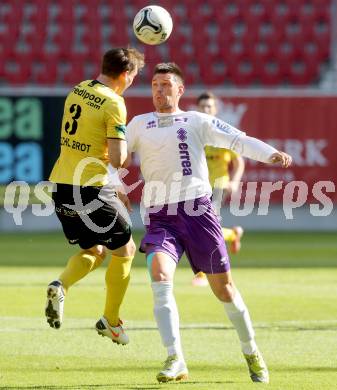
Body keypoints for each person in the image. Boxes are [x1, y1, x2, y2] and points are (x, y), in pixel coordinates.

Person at [125, 63, 292, 383]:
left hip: (199, 214)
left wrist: (270, 153)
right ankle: (175, 358)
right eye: (155, 85)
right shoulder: (139, 124)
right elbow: (114, 156)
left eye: (166, 85)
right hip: (161, 217)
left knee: (225, 290)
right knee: (159, 276)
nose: (159, 90)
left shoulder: (196, 121)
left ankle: (251, 350)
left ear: (180, 90)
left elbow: (237, 140)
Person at [45, 48, 145, 345]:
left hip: (61, 185)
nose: (131, 83)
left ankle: (60, 285)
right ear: (125, 75)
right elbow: (117, 159)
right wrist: (126, 152)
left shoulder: (78, 89)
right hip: (91, 188)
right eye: (133, 78)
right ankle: (110, 321)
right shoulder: (114, 103)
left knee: (95, 251)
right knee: (126, 250)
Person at [192, 92, 245, 287]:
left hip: (218, 185)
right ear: (197, 108)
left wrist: (235, 181)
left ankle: (203, 274)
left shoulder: (222, 133)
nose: (206, 109)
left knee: (203, 228)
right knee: (202, 228)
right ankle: (232, 234)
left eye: (209, 107)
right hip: (197, 187)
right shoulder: (193, 132)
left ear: (215, 109)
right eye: (203, 106)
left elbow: (239, 162)